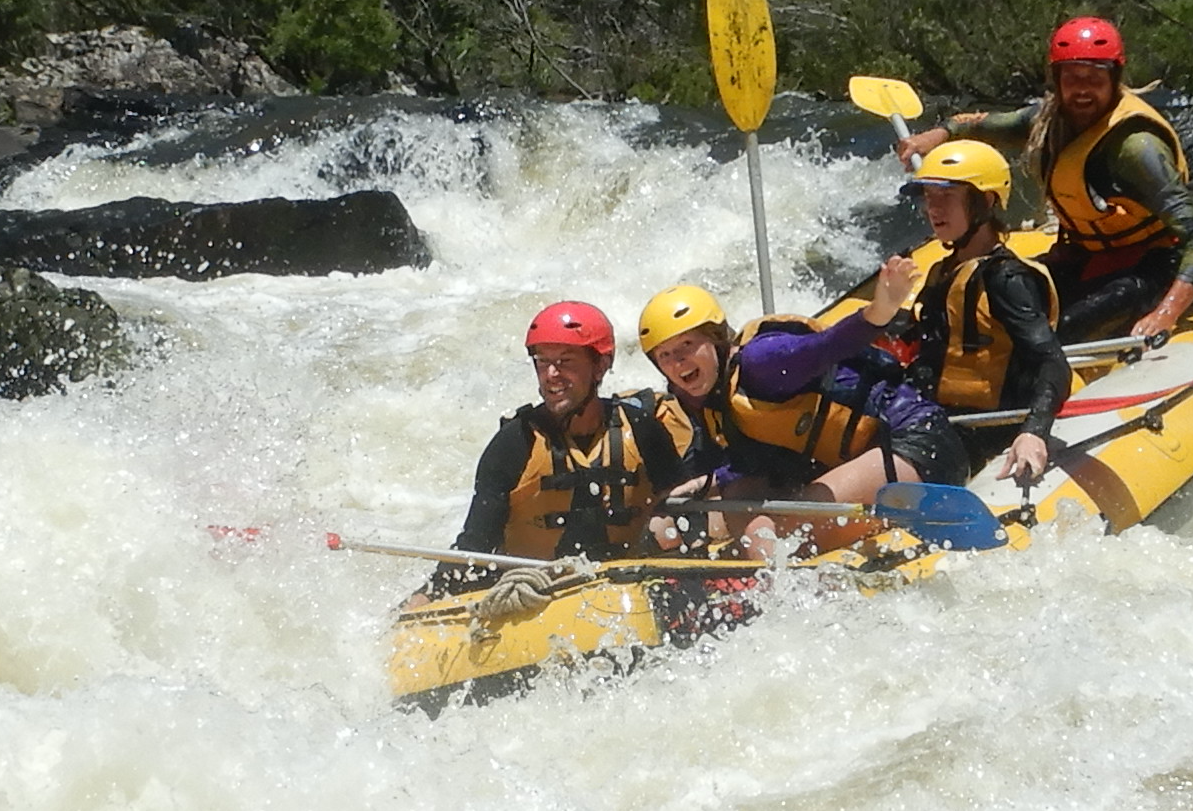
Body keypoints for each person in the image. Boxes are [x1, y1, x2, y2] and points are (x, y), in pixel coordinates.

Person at [895, 16, 1193, 346]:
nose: (1082, 89)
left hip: (1150, 267)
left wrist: (1166, 314)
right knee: (998, 300)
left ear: (1115, 78)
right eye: (1072, 77)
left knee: (1051, 332)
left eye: (1095, 78)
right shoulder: (1048, 120)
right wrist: (933, 137)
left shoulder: (1136, 148)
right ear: (1057, 79)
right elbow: (974, 125)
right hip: (1088, 257)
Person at [636, 279, 970, 561]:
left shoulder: (761, 362)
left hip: (918, 445)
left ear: (715, 338)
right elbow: (745, 468)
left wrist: (877, 312)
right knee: (738, 514)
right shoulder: (709, 400)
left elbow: (830, 344)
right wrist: (700, 485)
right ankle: (767, 579)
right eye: (665, 355)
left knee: (783, 530)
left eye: (688, 345)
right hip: (859, 462)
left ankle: (788, 578)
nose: (679, 361)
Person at [410, 301, 687, 615]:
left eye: (566, 361)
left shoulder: (641, 430)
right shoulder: (515, 444)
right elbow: (475, 543)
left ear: (600, 366)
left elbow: (684, 510)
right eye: (543, 362)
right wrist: (426, 597)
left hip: (625, 590)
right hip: (533, 598)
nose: (552, 375)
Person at [893, 139, 1070, 486]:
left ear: (985, 202)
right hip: (928, 418)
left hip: (975, 432)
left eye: (947, 197)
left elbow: (1052, 362)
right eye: (929, 197)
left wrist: (1034, 431)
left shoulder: (1006, 279)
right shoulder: (943, 270)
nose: (934, 209)